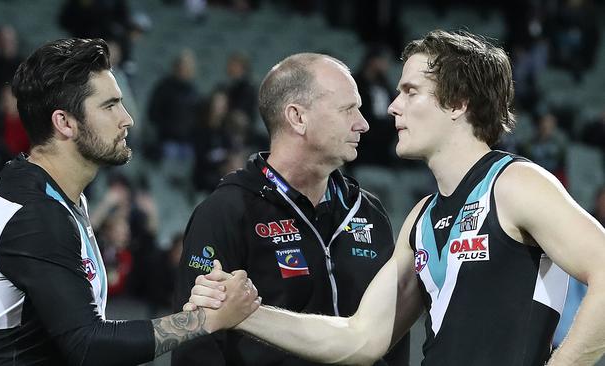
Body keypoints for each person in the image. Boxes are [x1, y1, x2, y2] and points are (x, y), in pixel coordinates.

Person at [188, 30, 605, 365]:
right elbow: (361, 338)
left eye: (410, 91)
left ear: (458, 102)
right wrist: (247, 313)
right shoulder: (421, 218)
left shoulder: (516, 183)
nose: (390, 107)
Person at [0, 38, 259, 365]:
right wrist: (205, 320)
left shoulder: (48, 192)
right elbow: (89, 344)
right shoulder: (35, 214)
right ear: (64, 122)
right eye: (110, 105)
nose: (127, 118)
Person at [172, 52, 409, 366]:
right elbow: (196, 346)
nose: (362, 124)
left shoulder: (368, 211)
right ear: (298, 117)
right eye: (348, 109)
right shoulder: (227, 210)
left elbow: (393, 335)